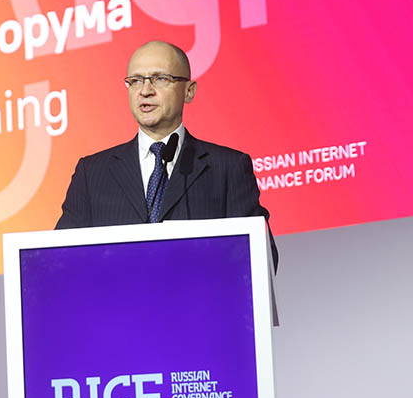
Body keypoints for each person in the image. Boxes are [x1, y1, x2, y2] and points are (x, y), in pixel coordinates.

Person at [55, 40, 278, 272]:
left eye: (160, 79)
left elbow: (261, 257)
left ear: (189, 91)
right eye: (136, 80)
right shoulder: (92, 174)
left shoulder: (228, 168)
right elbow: (60, 260)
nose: (145, 90)